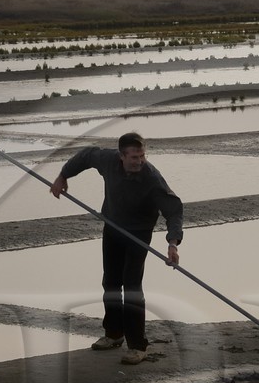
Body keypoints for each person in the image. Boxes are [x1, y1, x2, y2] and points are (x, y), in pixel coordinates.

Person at [49, 132, 184, 365]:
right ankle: (113, 334)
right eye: (134, 157)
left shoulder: (152, 178)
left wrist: (172, 243)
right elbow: (86, 156)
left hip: (138, 234)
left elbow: (173, 210)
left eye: (142, 156)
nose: (139, 161)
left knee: (131, 285)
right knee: (110, 282)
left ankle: (138, 346)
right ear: (121, 156)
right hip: (112, 226)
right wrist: (63, 176)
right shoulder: (108, 160)